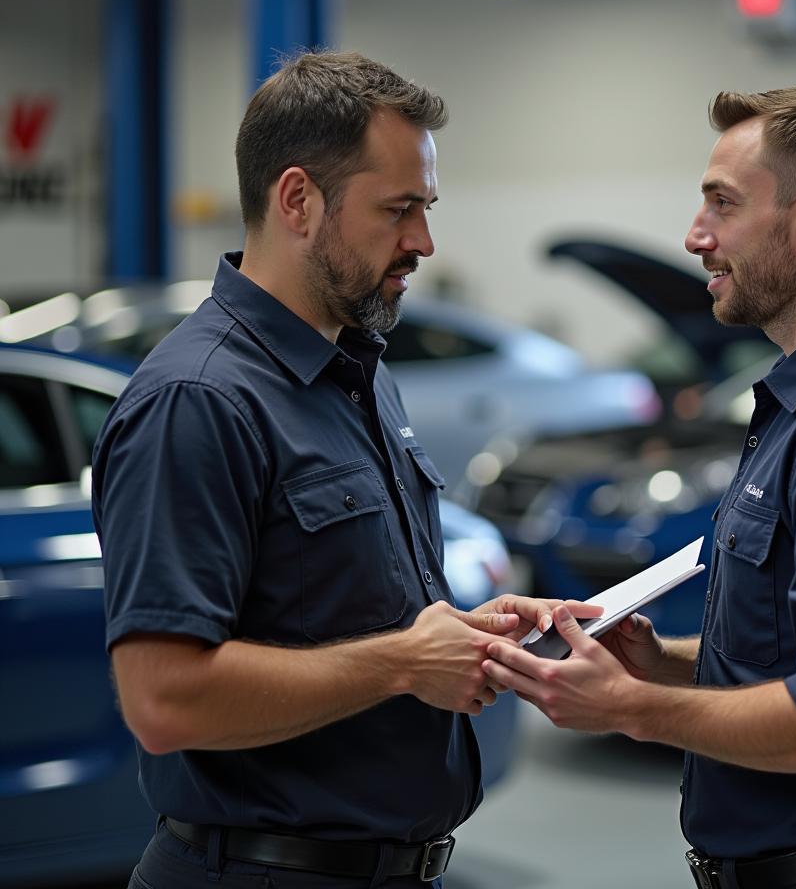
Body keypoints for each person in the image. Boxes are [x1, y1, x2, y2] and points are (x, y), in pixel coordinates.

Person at [93, 50, 597, 889]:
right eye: (398, 209)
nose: (423, 242)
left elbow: (334, 612)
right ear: (298, 199)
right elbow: (163, 698)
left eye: (425, 208)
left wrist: (457, 635)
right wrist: (403, 660)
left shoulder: (359, 375)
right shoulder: (198, 400)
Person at [484, 85, 796, 889]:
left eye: (722, 204)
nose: (695, 236)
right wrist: (662, 664)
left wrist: (627, 708)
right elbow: (795, 656)